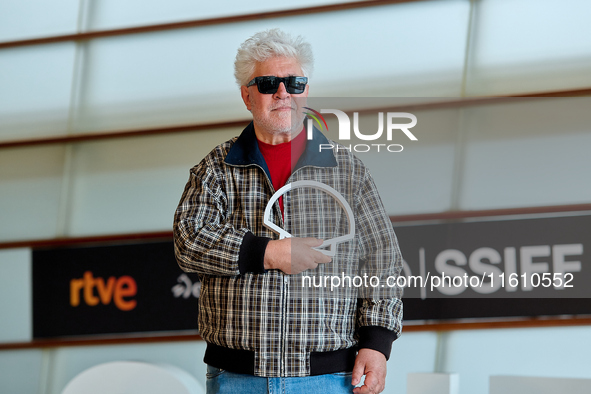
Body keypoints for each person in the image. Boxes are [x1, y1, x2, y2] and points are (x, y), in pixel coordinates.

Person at [173, 28, 403, 394]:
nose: (283, 93)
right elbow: (189, 240)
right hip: (236, 377)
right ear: (247, 96)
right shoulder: (216, 168)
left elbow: (383, 260)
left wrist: (377, 343)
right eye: (267, 83)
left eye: (294, 82)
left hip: (329, 377)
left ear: (305, 90)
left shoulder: (348, 171)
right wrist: (269, 252)